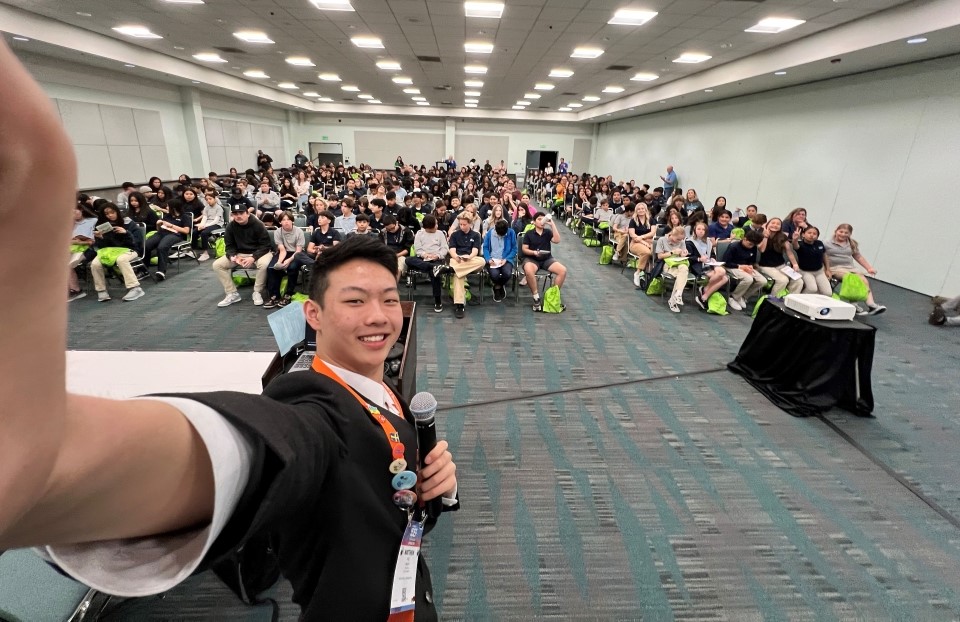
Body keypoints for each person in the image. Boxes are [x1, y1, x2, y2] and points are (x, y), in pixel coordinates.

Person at [1, 47, 460, 619]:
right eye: (355, 300)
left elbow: (384, 494)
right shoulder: (310, 400)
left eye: (390, 300)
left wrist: (427, 494)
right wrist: (54, 467)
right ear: (312, 316)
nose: (380, 315)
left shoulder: (384, 391)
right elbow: (273, 447)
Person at [213, 204, 275, 307]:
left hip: (259, 253)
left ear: (248, 213)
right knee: (217, 265)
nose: (238, 216)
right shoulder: (230, 227)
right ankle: (232, 293)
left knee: (264, 264)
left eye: (241, 213)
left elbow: (265, 245)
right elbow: (229, 246)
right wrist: (233, 256)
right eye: (235, 214)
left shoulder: (258, 224)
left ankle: (257, 292)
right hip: (240, 254)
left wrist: (253, 257)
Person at [823, 223, 886, 315]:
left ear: (850, 234)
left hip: (850, 268)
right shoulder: (826, 243)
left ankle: (871, 305)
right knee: (852, 279)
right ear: (836, 231)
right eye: (841, 232)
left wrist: (869, 268)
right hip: (834, 268)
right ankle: (854, 306)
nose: (843, 234)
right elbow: (821, 255)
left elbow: (858, 257)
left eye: (846, 233)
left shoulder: (852, 244)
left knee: (864, 280)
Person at [90, 202, 146, 302]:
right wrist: (100, 238)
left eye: (112, 212)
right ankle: (101, 290)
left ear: (117, 212)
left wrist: (126, 233)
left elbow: (137, 241)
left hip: (130, 249)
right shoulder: (103, 226)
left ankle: (135, 288)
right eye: (107, 214)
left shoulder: (128, 222)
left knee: (121, 259)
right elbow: (103, 247)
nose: (110, 215)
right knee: (95, 264)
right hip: (111, 251)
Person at [441, 212, 485, 319]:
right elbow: (452, 250)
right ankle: (459, 305)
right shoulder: (455, 235)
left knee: (482, 261)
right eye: (460, 224)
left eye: (464, 224)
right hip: (458, 260)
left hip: (471, 260)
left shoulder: (476, 235)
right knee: (458, 275)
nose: (462, 226)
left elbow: (475, 250)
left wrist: (469, 257)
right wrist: (456, 257)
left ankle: (450, 269)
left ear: (470, 224)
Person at [521, 213, 566, 311]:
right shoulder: (529, 233)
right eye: (539, 219)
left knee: (562, 270)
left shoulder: (547, 232)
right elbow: (524, 249)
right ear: (534, 221)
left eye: (543, 219)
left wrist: (552, 224)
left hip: (546, 258)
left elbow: (557, 240)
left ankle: (552, 296)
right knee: (528, 270)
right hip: (532, 258)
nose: (542, 221)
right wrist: (533, 253)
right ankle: (536, 297)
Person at [405, 214, 449, 312]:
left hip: (436, 258)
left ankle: (438, 300)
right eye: (436, 224)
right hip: (423, 258)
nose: (437, 226)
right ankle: (432, 267)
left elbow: (445, 248)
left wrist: (437, 255)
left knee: (435, 274)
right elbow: (418, 249)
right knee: (408, 260)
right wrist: (425, 255)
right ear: (429, 227)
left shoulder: (440, 234)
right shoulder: (420, 234)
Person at [263, 211, 306, 308]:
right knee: (271, 268)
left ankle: (288, 294)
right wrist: (279, 262)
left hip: (296, 254)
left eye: (288, 220)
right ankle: (274, 295)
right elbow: (282, 250)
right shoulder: (278, 231)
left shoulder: (299, 231)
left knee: (292, 268)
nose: (286, 222)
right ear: (280, 222)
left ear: (292, 221)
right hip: (283, 252)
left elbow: (298, 251)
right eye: (283, 220)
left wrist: (288, 260)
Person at [686, 221, 728, 311]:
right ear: (695, 230)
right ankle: (704, 294)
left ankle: (704, 293)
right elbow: (687, 257)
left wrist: (713, 258)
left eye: (703, 229)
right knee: (724, 278)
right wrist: (699, 259)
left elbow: (712, 254)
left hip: (709, 264)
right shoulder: (689, 242)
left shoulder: (708, 242)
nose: (701, 231)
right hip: (697, 265)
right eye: (699, 229)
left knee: (723, 273)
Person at [144, 200, 190, 282]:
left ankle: (161, 271)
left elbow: (186, 231)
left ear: (174, 208)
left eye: (168, 206)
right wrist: (158, 224)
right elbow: (159, 229)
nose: (166, 208)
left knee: (162, 247)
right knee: (146, 245)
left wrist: (172, 225)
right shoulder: (167, 216)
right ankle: (144, 269)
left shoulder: (184, 217)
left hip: (175, 234)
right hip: (162, 233)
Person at [756, 217, 803, 297]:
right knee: (783, 280)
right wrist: (766, 237)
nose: (775, 225)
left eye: (778, 224)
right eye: (773, 223)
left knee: (798, 281)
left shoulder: (782, 237)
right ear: (767, 224)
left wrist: (795, 264)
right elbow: (761, 249)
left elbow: (789, 252)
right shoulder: (760, 234)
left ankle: (790, 300)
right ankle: (773, 300)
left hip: (781, 265)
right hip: (765, 266)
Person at [722, 229, 766, 311]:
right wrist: (740, 266)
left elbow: (751, 261)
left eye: (753, 245)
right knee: (748, 279)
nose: (751, 246)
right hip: (732, 266)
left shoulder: (753, 247)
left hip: (745, 267)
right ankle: (733, 297)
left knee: (763, 281)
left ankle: (743, 296)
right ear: (744, 239)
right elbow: (726, 262)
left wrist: (750, 267)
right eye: (750, 244)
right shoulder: (733, 246)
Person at [655, 226, 691, 313]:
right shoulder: (662, 240)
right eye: (678, 239)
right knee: (682, 274)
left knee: (684, 268)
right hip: (667, 264)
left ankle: (677, 294)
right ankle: (674, 299)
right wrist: (672, 252)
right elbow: (659, 256)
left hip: (679, 263)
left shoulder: (682, 242)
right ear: (672, 234)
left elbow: (683, 253)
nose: (679, 241)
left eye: (681, 239)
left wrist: (684, 253)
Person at [482, 218, 518, 303]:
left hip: (506, 258)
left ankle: (498, 286)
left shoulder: (511, 233)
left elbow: (514, 249)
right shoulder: (490, 233)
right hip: (492, 258)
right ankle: (497, 286)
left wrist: (507, 259)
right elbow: (485, 247)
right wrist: (488, 259)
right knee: (494, 275)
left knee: (507, 273)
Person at [792, 225, 832, 296]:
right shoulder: (800, 244)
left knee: (828, 293)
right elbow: (795, 246)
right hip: (805, 271)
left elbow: (824, 255)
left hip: (819, 271)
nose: (811, 235)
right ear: (803, 234)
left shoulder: (819, 243)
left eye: (814, 234)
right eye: (809, 233)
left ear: (817, 236)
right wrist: (795, 239)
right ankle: (800, 299)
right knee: (812, 289)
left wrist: (828, 269)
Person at [380, 215, 415, 280]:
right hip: (387, 254)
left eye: (392, 228)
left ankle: (394, 286)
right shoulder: (383, 232)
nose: (390, 230)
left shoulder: (406, 231)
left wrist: (396, 255)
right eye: (388, 229)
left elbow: (408, 249)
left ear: (397, 223)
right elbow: (381, 247)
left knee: (398, 267)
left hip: (401, 254)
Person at [628, 203, 655, 288]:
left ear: (645, 209)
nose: (641, 210)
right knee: (646, 252)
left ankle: (650, 274)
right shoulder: (633, 221)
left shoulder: (651, 220)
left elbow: (652, 233)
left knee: (656, 253)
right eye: (639, 209)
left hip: (649, 241)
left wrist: (642, 237)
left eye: (642, 208)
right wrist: (644, 242)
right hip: (635, 243)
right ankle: (638, 272)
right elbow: (632, 235)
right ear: (636, 211)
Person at [196, 191, 225, 262]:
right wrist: (201, 225)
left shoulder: (219, 208)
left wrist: (205, 226)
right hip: (207, 223)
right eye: (207, 199)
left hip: (217, 224)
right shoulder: (206, 208)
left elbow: (216, 220)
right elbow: (204, 217)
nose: (208, 201)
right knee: (194, 232)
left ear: (215, 199)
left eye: (210, 199)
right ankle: (193, 250)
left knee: (204, 233)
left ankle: (205, 253)